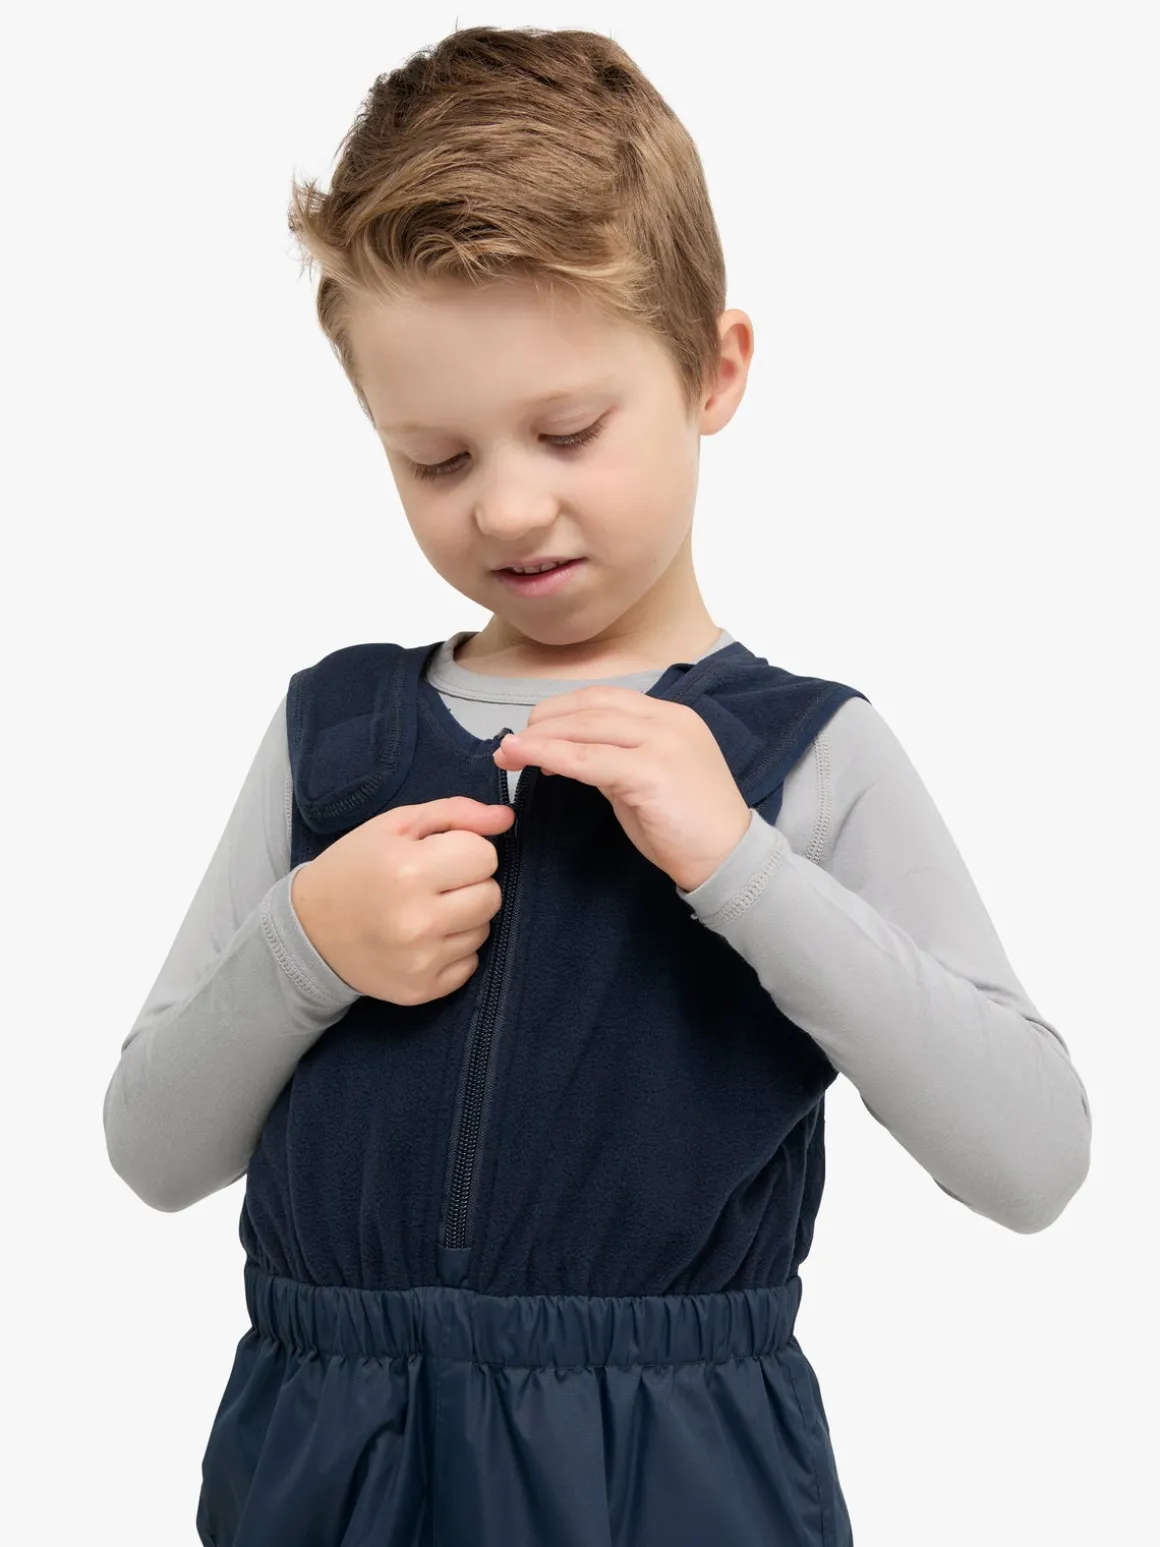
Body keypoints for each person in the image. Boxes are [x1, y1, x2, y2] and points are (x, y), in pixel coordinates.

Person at [102, 25, 1092, 1547]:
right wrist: (306, 943)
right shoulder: (330, 734)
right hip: (322, 1461)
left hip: (674, 1473)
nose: (507, 505)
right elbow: (152, 1150)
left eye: (568, 432)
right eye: (434, 458)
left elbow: (1033, 1159)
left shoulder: (807, 755)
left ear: (714, 370)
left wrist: (744, 867)